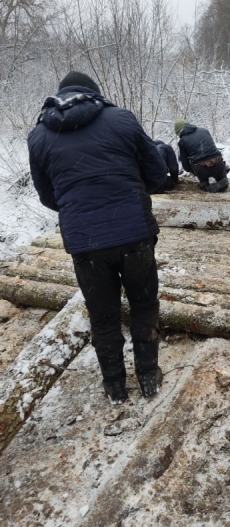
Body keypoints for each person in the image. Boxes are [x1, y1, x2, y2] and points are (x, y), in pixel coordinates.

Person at [28, 71, 168, 405]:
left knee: (103, 316)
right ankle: (148, 375)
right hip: (135, 233)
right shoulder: (121, 119)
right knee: (144, 304)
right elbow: (158, 172)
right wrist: (132, 191)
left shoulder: (39, 136)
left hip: (85, 243)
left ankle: (115, 387)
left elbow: (48, 196)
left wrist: (78, 204)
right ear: (94, 95)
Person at [174, 119, 229, 192]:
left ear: (180, 131)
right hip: (218, 163)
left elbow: (185, 163)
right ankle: (223, 181)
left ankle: (204, 184)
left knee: (197, 165)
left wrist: (192, 171)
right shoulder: (204, 131)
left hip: (201, 168)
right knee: (222, 179)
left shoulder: (182, 141)